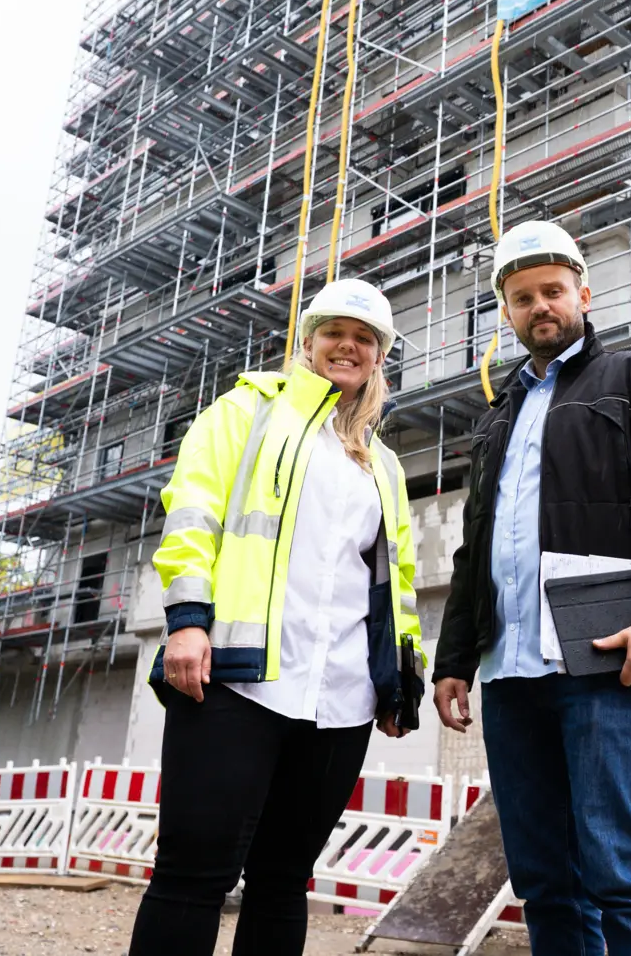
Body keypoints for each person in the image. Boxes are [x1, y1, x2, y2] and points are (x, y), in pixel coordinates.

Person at [431, 221, 631, 956]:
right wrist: (453, 660)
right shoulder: (495, 419)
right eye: (523, 296)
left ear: (584, 295)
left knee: (622, 871)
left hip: (603, 661)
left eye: (554, 291)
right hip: (511, 675)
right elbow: (478, 551)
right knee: (544, 881)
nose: (541, 307)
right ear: (506, 310)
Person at [129, 278, 424, 956]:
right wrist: (187, 620)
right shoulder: (245, 411)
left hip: (341, 697)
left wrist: (399, 681)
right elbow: (192, 516)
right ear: (309, 343)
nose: (347, 346)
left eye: (364, 339)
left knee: (284, 879)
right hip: (237, 677)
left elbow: (395, 584)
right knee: (192, 873)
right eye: (334, 333)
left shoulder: (383, 465)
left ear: (378, 357)